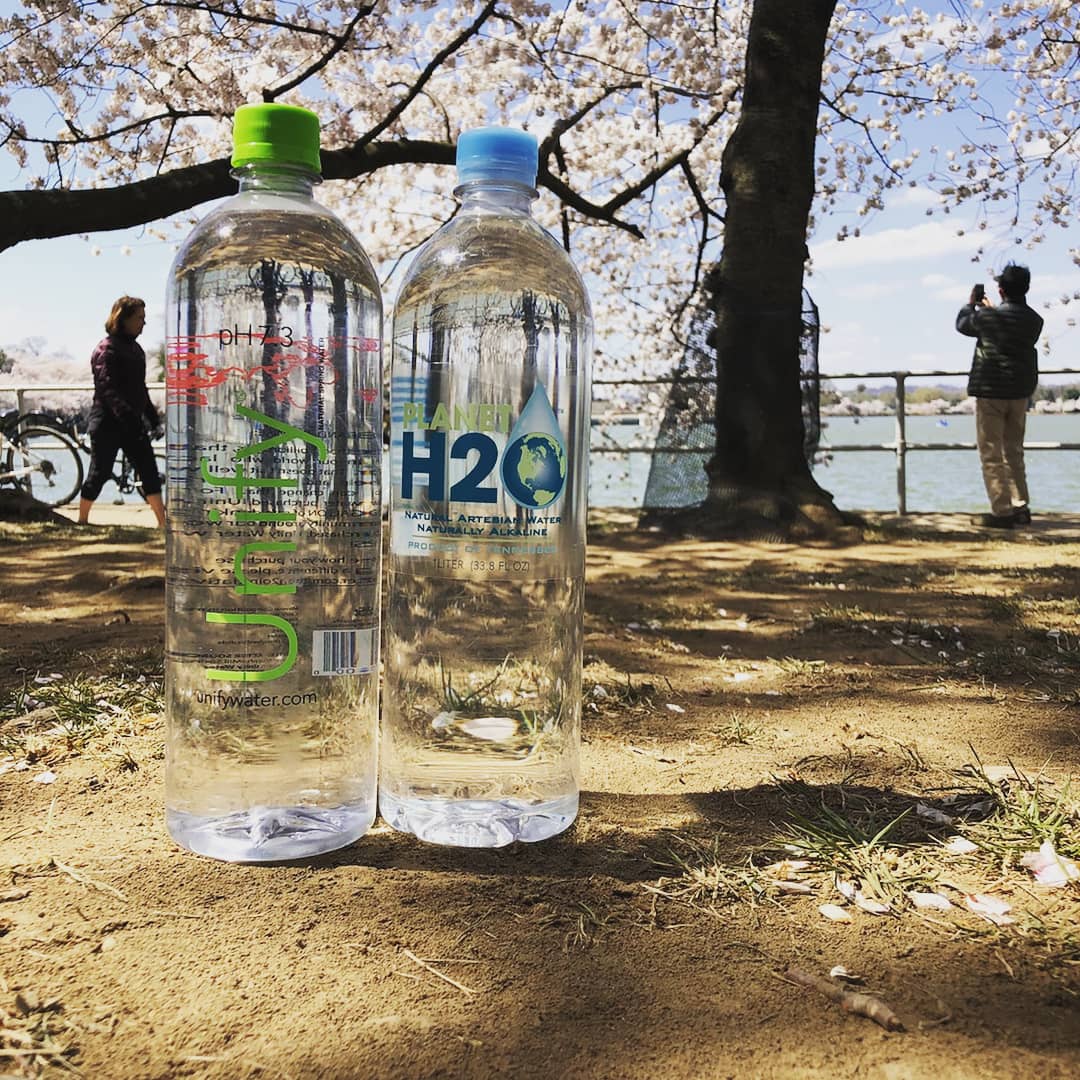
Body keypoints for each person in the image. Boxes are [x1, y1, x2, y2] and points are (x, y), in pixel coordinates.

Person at [956, 263, 1043, 529]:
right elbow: (1008, 328)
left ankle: (1002, 512)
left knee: (991, 452)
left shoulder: (988, 317)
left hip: (991, 391)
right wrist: (991, 310)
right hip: (1019, 392)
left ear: (1001, 289)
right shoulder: (1035, 320)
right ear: (1026, 288)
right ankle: (1021, 507)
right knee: (1014, 451)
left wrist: (971, 305)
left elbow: (963, 325)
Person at [77, 296, 166, 527]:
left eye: (144, 318)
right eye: (139, 318)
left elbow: (140, 388)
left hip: (133, 423)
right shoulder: (105, 349)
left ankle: (163, 524)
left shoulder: (137, 350)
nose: (143, 323)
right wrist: (127, 416)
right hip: (107, 422)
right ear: (123, 319)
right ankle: (82, 520)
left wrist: (152, 418)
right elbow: (108, 389)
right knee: (100, 472)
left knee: (149, 470)